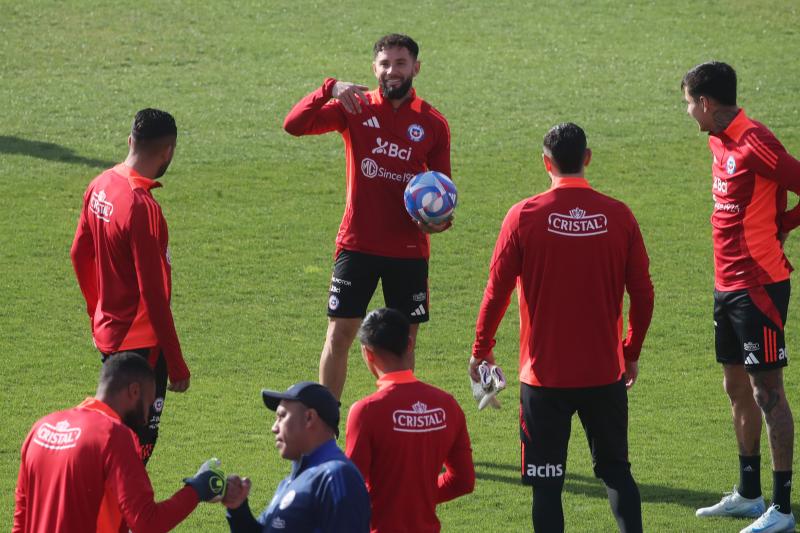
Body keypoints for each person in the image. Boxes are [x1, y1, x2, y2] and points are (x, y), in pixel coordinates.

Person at [470, 123, 655, 533]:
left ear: (545, 163)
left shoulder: (523, 216)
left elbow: (495, 292)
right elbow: (643, 295)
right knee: (616, 473)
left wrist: (481, 350)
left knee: (547, 485)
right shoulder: (619, 215)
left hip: (543, 379)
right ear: (587, 158)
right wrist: (631, 352)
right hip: (605, 373)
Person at [283, 33, 452, 399]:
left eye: (401, 63)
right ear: (374, 67)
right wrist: (330, 88)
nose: (392, 71)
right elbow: (294, 125)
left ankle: (397, 418)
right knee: (339, 334)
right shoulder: (354, 107)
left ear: (416, 68)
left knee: (402, 343)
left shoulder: (433, 123)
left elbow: (444, 192)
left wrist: (439, 223)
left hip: (408, 250)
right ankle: (326, 424)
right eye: (385, 63)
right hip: (357, 245)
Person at [682, 61, 800, 533]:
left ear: (706, 103)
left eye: (689, 101)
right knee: (736, 389)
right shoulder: (717, 139)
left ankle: (783, 509)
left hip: (759, 289)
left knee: (767, 393)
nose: (687, 110)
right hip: (725, 286)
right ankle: (750, 495)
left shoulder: (757, 142)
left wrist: (782, 227)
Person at [70, 108, 191, 463]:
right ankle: (113, 518)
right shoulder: (142, 207)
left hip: (110, 338)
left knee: (113, 440)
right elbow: (154, 296)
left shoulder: (101, 185)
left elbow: (79, 253)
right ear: (167, 151)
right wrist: (177, 363)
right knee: (134, 454)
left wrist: (97, 313)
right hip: (142, 347)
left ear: (130, 142)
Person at [13, 352, 225, 533]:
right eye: (148, 404)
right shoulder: (113, 435)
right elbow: (146, 522)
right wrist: (198, 488)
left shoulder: (41, 428)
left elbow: (21, 520)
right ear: (134, 391)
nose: (146, 418)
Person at [346, 307, 475, 532]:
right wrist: (417, 495)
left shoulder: (366, 411)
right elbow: (463, 481)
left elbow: (349, 491)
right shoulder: (447, 405)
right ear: (409, 344)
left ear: (367, 353)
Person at [222, 381, 370, 532]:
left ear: (309, 418)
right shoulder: (290, 482)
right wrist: (238, 510)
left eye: (282, 416)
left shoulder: (336, 476)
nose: (274, 428)